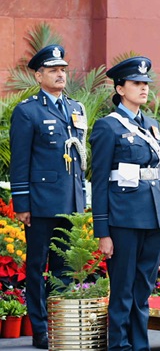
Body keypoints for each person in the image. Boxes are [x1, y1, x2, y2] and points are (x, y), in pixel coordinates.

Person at [9, 44, 87, 349]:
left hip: (69, 201)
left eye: (63, 70)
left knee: (64, 267)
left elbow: (79, 158)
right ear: (39, 75)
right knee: (37, 265)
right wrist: (22, 203)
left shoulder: (76, 108)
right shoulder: (28, 111)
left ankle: (61, 323)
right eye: (53, 70)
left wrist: (81, 199)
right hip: (40, 203)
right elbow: (20, 161)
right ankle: (40, 327)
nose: (60, 75)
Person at [90, 57, 160, 350]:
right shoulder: (107, 127)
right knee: (122, 290)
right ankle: (120, 346)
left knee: (143, 289)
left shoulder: (151, 125)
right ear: (120, 88)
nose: (143, 88)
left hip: (153, 216)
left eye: (145, 84)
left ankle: (140, 345)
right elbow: (99, 182)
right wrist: (103, 231)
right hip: (123, 219)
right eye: (136, 83)